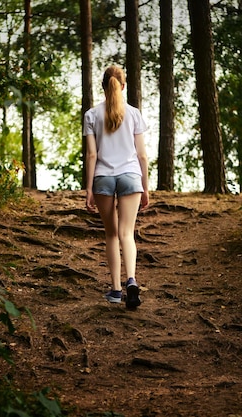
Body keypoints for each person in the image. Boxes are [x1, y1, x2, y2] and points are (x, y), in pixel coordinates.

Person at [83, 65, 149, 309]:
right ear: (123, 86)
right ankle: (131, 280)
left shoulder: (91, 115)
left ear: (104, 86)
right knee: (127, 233)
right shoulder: (134, 114)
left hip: (103, 178)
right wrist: (145, 187)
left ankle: (115, 290)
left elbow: (91, 155)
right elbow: (142, 155)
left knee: (111, 234)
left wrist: (89, 189)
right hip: (131, 176)